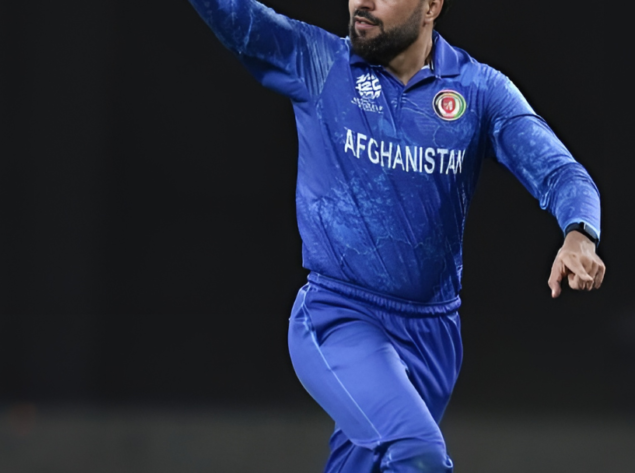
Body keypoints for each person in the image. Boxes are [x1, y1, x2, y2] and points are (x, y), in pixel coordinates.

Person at [188, 0, 606, 471]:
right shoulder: (318, 62)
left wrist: (579, 234)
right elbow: (234, 14)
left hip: (434, 336)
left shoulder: (479, 90)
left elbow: (563, 174)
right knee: (416, 455)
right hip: (338, 315)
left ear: (431, 6)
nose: (361, 2)